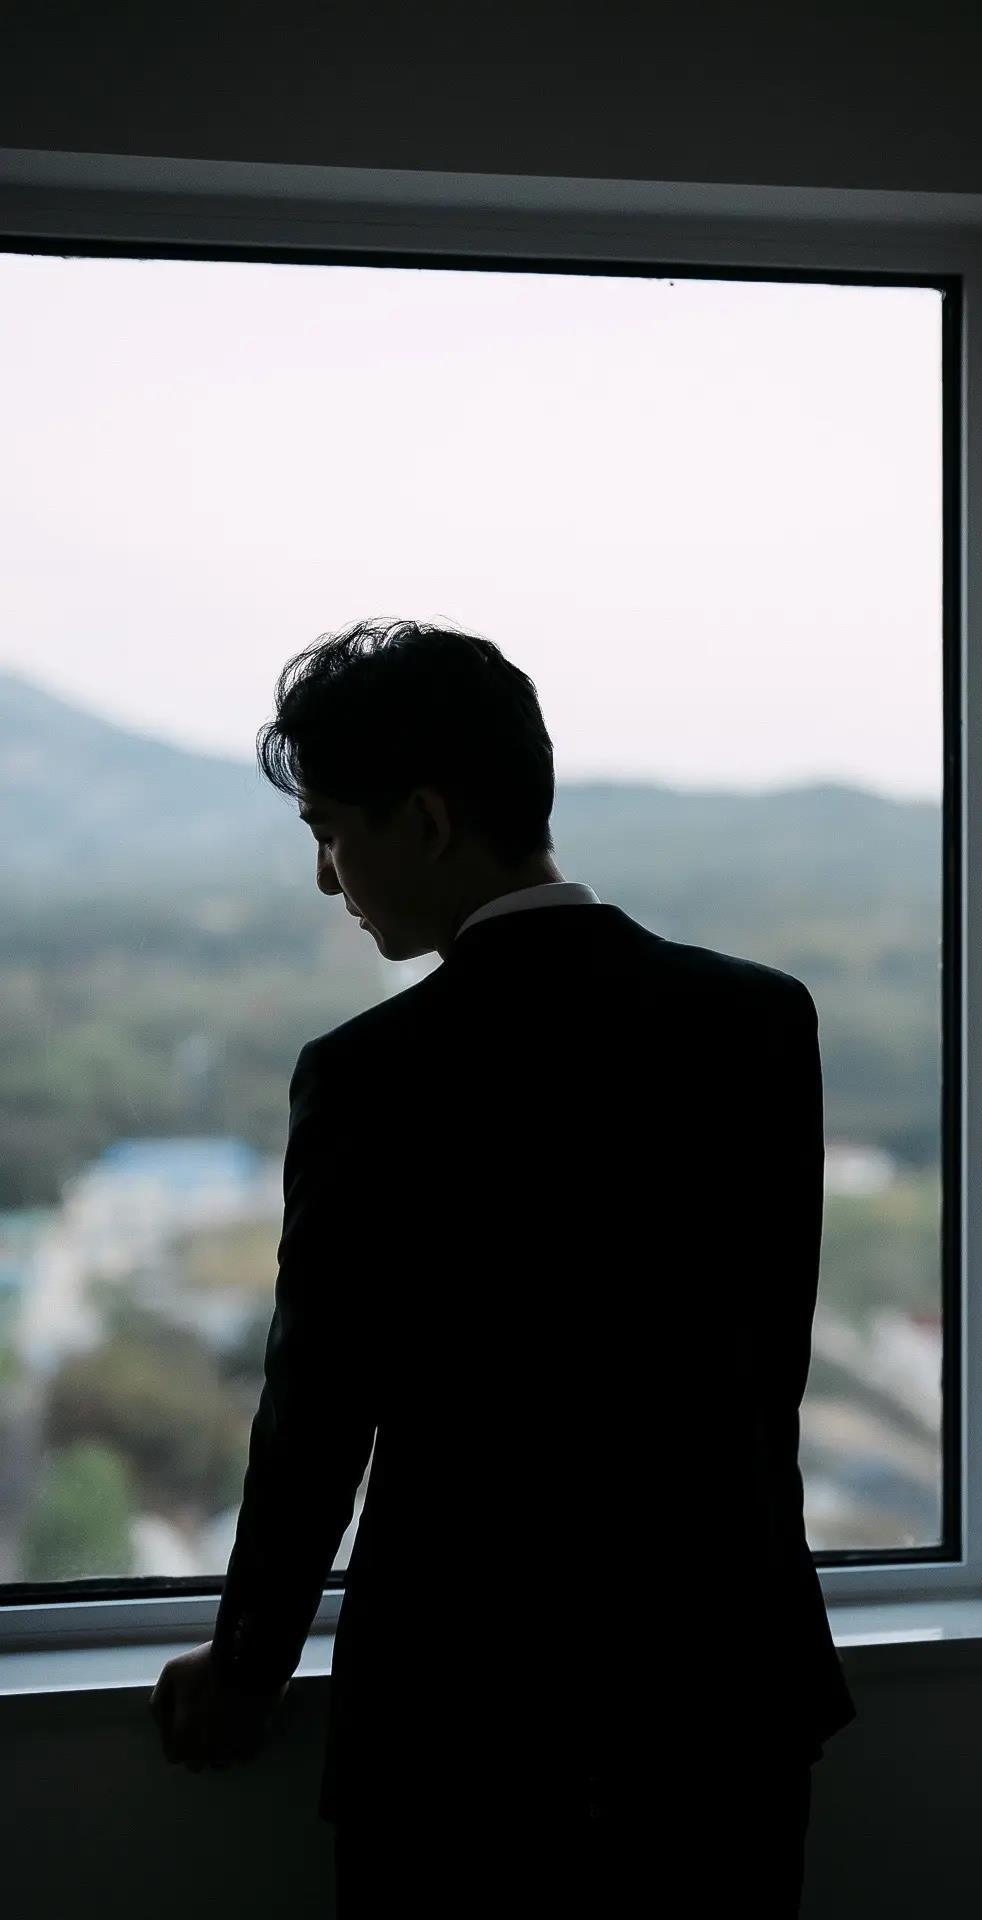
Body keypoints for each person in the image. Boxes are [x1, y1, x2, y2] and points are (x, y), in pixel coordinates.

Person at [148, 616, 856, 1916]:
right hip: (727, 1695)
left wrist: (246, 1665)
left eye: (329, 832)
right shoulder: (759, 1021)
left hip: (463, 1722)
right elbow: (770, 1370)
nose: (327, 879)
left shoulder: (372, 1078)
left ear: (425, 821)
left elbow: (317, 1417)